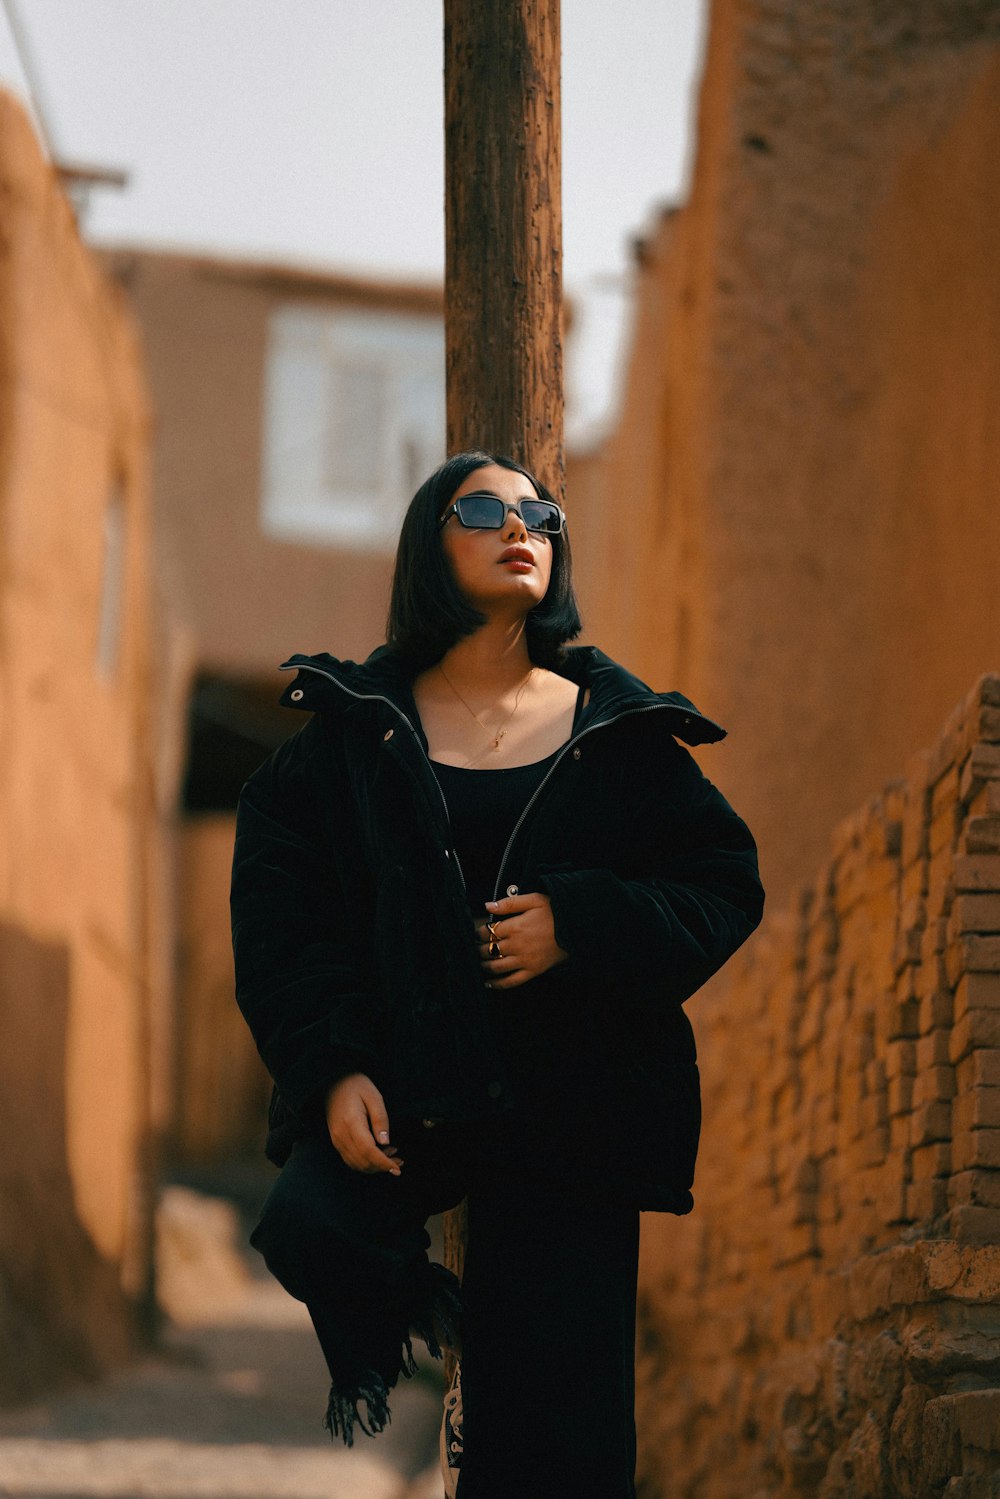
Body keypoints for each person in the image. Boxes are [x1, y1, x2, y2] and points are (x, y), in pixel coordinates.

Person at [230, 450, 764, 1498]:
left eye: (540, 512)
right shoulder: (354, 728)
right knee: (308, 1219)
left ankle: (512, 1360)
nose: (521, 526)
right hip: (411, 1076)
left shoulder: (617, 729)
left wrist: (582, 921)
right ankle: (445, 1322)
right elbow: (282, 917)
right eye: (483, 510)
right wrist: (332, 1067)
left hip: (570, 1104)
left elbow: (720, 883)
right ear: (428, 543)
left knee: (560, 1440)